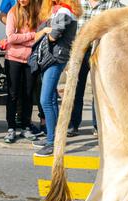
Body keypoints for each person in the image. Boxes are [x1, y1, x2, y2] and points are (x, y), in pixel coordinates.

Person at [67, 0, 124, 137]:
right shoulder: (78, 2)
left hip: (101, 50)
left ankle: (98, 126)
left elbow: (117, 25)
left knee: (99, 91)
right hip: (80, 50)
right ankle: (73, 125)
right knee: (75, 89)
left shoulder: (111, 3)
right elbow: (69, 27)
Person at [33, 0, 82, 156]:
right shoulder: (60, 10)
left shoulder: (64, 11)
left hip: (55, 58)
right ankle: (52, 137)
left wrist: (47, 31)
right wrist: (46, 30)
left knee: (46, 100)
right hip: (53, 58)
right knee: (51, 100)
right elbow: (40, 32)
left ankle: (51, 143)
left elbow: (54, 36)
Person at [3, 0, 42, 143]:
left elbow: (41, 35)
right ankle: (11, 127)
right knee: (13, 94)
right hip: (13, 58)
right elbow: (11, 38)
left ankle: (26, 126)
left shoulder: (37, 13)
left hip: (31, 60)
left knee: (28, 94)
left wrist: (26, 39)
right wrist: (31, 36)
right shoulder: (12, 13)